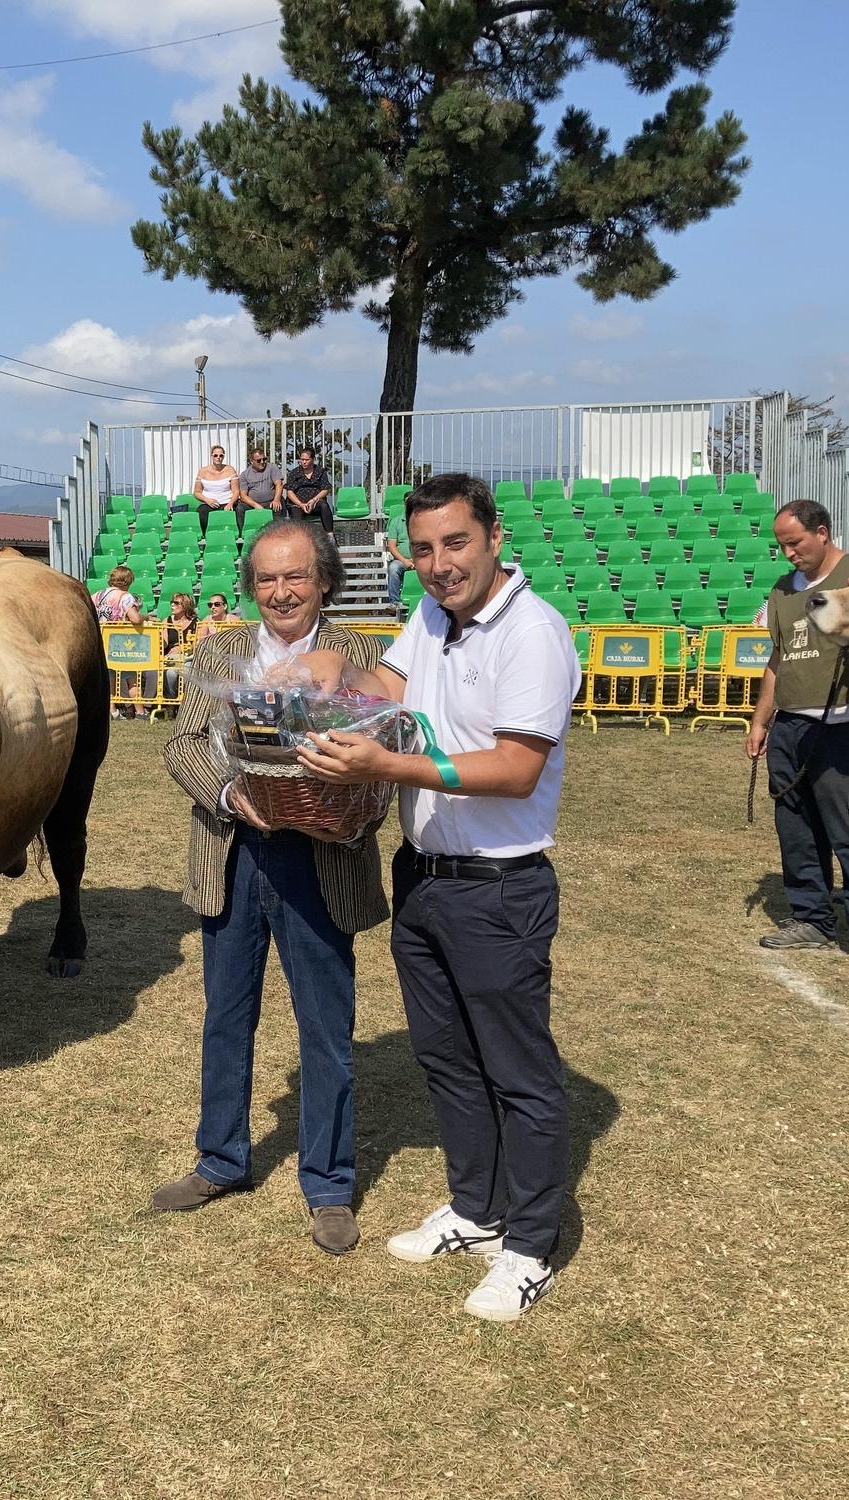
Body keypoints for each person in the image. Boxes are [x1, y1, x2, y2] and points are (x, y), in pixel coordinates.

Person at [293, 472, 582, 1321]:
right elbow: (388, 688)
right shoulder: (432, 615)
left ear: (492, 536)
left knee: (519, 1074)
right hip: (423, 875)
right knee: (447, 1060)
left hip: (500, 887)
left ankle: (529, 1244)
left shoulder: (532, 632)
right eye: (422, 549)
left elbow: (514, 768)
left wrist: (384, 766)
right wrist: (331, 685)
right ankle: (476, 1207)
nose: (439, 564)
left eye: (455, 543)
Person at [152, 520, 387, 1257]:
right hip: (235, 851)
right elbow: (183, 742)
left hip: (319, 856)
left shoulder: (361, 655)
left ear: (323, 580)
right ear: (252, 586)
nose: (281, 592)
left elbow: (382, 746)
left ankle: (329, 1184)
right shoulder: (220, 651)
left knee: (324, 1026)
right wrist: (228, 793)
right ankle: (220, 1159)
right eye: (266, 579)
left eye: (295, 576)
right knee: (226, 1016)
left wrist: (350, 798)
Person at [745, 499, 849, 977]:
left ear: (823, 533)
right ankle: (811, 917)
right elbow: (779, 659)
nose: (788, 553)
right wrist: (760, 720)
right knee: (796, 828)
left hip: (846, 726)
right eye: (782, 546)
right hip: (792, 724)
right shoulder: (782, 590)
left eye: (795, 543)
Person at [92, 564, 146, 719]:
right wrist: (146, 617)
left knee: (108, 679)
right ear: (127, 581)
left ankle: (112, 711)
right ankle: (141, 712)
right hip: (121, 641)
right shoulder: (125, 596)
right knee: (132, 678)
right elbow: (135, 618)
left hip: (102, 641)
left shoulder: (98, 595)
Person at [282, 448, 335, 534]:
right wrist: (300, 504)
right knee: (297, 520)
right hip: (297, 504)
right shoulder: (294, 473)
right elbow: (290, 492)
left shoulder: (320, 471)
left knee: (324, 506)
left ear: (313, 459)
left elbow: (325, 489)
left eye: (307, 460)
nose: (304, 462)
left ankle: (330, 535)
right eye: (302, 459)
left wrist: (313, 500)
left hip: (315, 503)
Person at [193, 445, 242, 535]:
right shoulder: (202, 471)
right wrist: (207, 500)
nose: (218, 458)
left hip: (226, 503)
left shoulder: (230, 470)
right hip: (208, 504)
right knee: (201, 513)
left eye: (221, 455)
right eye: (215, 455)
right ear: (211, 456)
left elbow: (236, 491)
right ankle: (206, 538)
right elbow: (196, 492)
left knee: (234, 514)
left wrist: (230, 503)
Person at [236, 448, 283, 515]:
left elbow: (279, 484)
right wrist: (255, 505)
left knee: (278, 506)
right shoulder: (244, 474)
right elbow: (243, 496)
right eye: (258, 460)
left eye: (264, 459)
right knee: (240, 508)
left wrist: (276, 499)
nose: (262, 462)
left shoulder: (272, 467)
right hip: (253, 504)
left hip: (271, 502)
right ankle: (241, 526)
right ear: (251, 461)